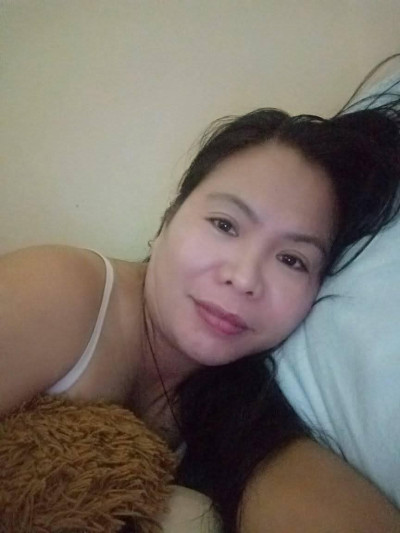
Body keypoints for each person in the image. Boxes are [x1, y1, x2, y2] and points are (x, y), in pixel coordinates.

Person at [1, 64, 400, 532]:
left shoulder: (249, 408)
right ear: (169, 217)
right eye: (225, 225)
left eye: (292, 259)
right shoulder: (62, 292)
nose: (244, 277)